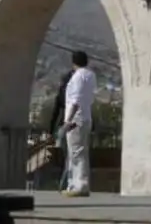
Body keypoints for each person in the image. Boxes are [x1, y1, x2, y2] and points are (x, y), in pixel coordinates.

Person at [60, 50, 96, 197]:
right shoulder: (90, 75)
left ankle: (79, 184)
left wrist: (68, 120)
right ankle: (77, 183)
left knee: (75, 153)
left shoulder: (77, 77)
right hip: (86, 117)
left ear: (74, 62)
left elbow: (75, 100)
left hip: (76, 119)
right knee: (81, 152)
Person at [49, 69, 75, 191]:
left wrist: (50, 130)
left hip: (61, 128)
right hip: (71, 126)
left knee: (68, 157)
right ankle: (65, 184)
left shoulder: (61, 94)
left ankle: (64, 184)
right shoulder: (74, 95)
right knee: (72, 158)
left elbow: (55, 113)